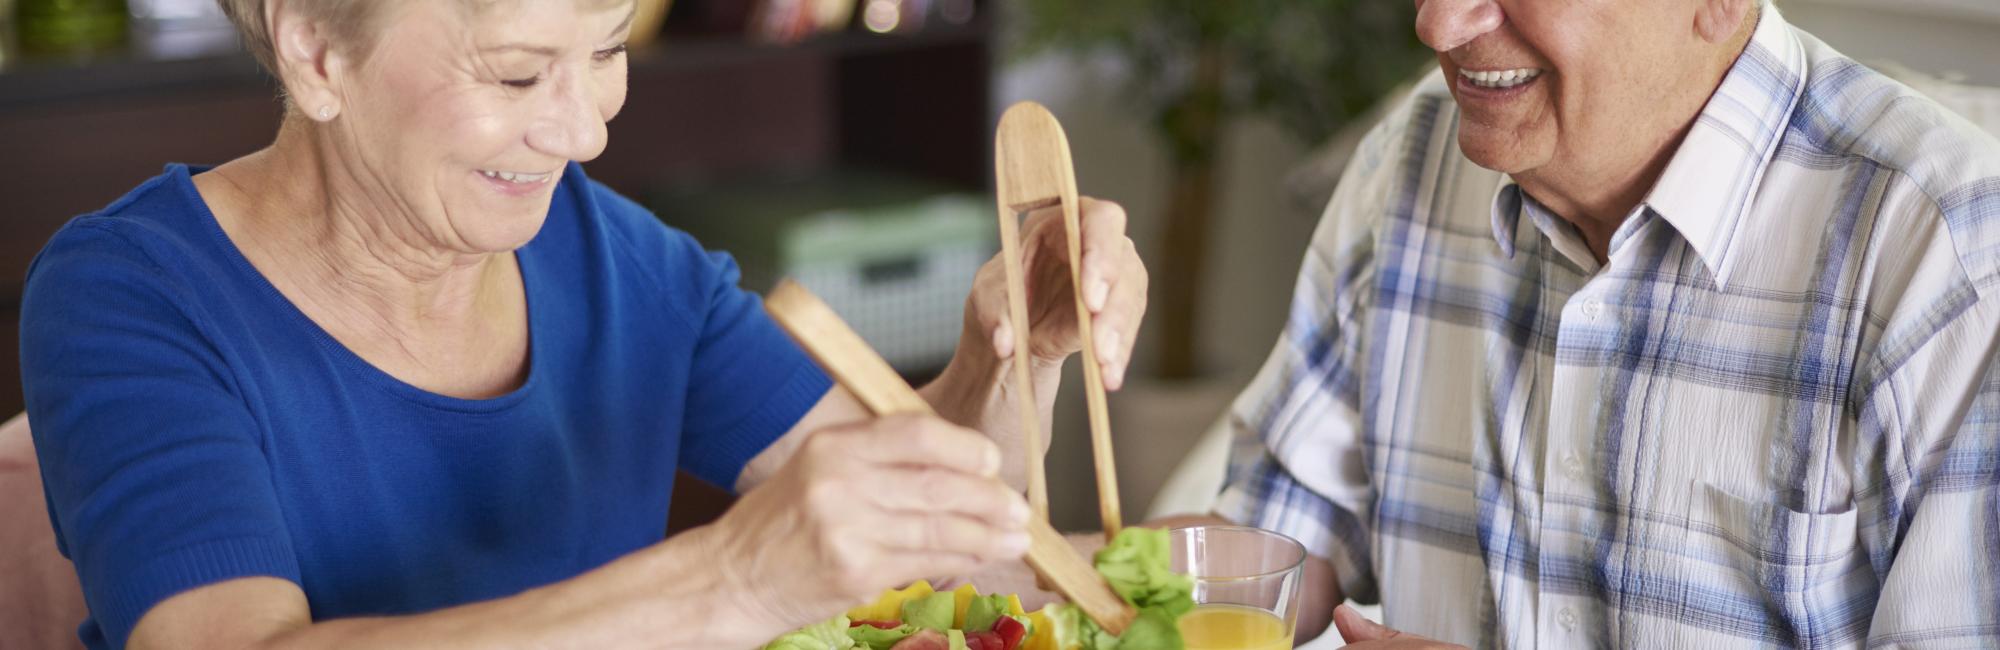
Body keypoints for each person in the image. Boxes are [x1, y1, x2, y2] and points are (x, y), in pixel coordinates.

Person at [17, 1, 1150, 648]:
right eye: (518, 75)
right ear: (316, 48)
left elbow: (950, 537)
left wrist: (1010, 352)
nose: (584, 131)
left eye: (605, 51)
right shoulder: (133, 294)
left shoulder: (616, 258)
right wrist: (733, 581)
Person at [990, 0, 2000, 647]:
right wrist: (972, 562)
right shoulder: (1413, 157)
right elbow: (1278, 545)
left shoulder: (1948, 254)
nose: (1437, 23)